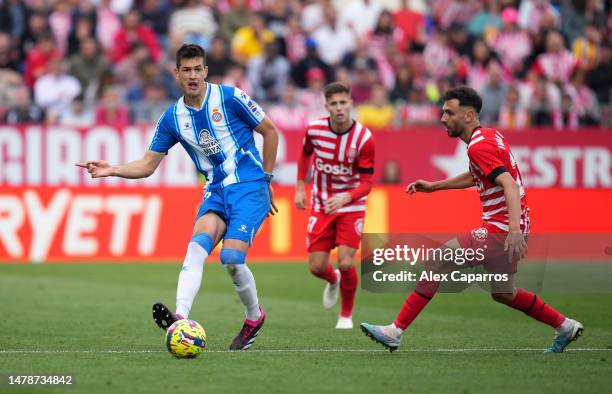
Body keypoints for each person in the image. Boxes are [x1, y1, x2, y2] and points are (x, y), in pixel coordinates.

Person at [77, 44, 279, 351]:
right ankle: (180, 318)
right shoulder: (173, 117)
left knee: (231, 259)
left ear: (206, 71)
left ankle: (254, 317)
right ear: (177, 74)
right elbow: (147, 165)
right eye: (187, 70)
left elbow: (271, 131)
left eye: (198, 69)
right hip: (215, 191)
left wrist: (266, 178)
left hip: (250, 186)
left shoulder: (230, 97)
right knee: (196, 249)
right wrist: (112, 169)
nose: (193, 75)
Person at [360, 86, 582, 353]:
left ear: (468, 116)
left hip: (501, 227)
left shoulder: (478, 146)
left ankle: (395, 330)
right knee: (503, 292)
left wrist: (512, 231)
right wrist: (434, 186)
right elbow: (479, 175)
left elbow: (509, 184)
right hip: (514, 223)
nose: (443, 118)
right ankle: (565, 325)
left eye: (449, 112)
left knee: (437, 260)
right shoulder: (489, 137)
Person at [295, 81, 375, 329]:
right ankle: (333, 280)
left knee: (347, 261)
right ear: (326, 106)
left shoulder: (364, 138)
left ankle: (346, 315)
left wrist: (346, 197)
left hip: (350, 206)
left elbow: (367, 182)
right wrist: (300, 187)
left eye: (343, 102)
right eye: (334, 104)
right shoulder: (315, 130)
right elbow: (305, 154)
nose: (339, 108)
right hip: (321, 204)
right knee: (317, 267)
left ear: (350, 103)